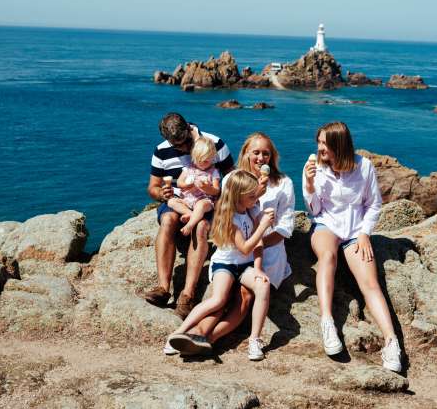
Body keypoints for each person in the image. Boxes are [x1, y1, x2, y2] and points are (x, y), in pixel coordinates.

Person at [163, 132, 295, 355]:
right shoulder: (232, 181)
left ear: (272, 156)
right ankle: (189, 334)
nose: (261, 158)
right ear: (246, 153)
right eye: (256, 152)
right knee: (219, 300)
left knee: (243, 297)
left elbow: (285, 228)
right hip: (237, 252)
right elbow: (230, 218)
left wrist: (258, 254)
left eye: (266, 153)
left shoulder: (283, 183)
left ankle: (206, 339)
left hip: (265, 252)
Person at [303, 121, 403, 373]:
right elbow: (314, 210)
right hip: (326, 225)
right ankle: (327, 322)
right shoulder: (316, 168)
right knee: (327, 257)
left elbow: (373, 205)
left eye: (325, 143)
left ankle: (392, 342)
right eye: (319, 142)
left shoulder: (364, 166)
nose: (320, 148)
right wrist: (309, 184)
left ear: (339, 144)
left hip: (355, 231)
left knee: (370, 283)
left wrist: (364, 234)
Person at [167, 170, 274, 361]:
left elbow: (256, 196)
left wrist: (258, 268)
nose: (255, 198)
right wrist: (263, 225)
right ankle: (178, 333)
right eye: (251, 196)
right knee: (218, 300)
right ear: (238, 197)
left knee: (263, 286)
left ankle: (255, 339)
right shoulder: (231, 219)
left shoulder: (248, 208)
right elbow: (245, 247)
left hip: (245, 265)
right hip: (225, 263)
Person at [144, 112, 233, 318]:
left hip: (208, 203)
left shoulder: (215, 144)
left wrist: (216, 196)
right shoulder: (161, 151)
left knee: (201, 227)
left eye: (185, 143)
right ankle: (163, 288)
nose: (183, 149)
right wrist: (161, 193)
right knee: (167, 219)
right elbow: (153, 187)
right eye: (177, 147)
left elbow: (231, 177)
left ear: (189, 129)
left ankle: (188, 294)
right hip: (179, 201)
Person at [167, 136, 221, 237]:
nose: (202, 164)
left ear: (212, 158)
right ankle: (190, 214)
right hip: (188, 199)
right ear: (193, 157)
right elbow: (179, 182)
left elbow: (216, 190)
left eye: (206, 161)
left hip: (204, 200)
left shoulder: (213, 172)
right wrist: (188, 185)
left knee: (201, 206)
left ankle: (190, 225)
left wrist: (206, 188)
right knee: (171, 202)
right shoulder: (189, 168)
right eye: (198, 160)